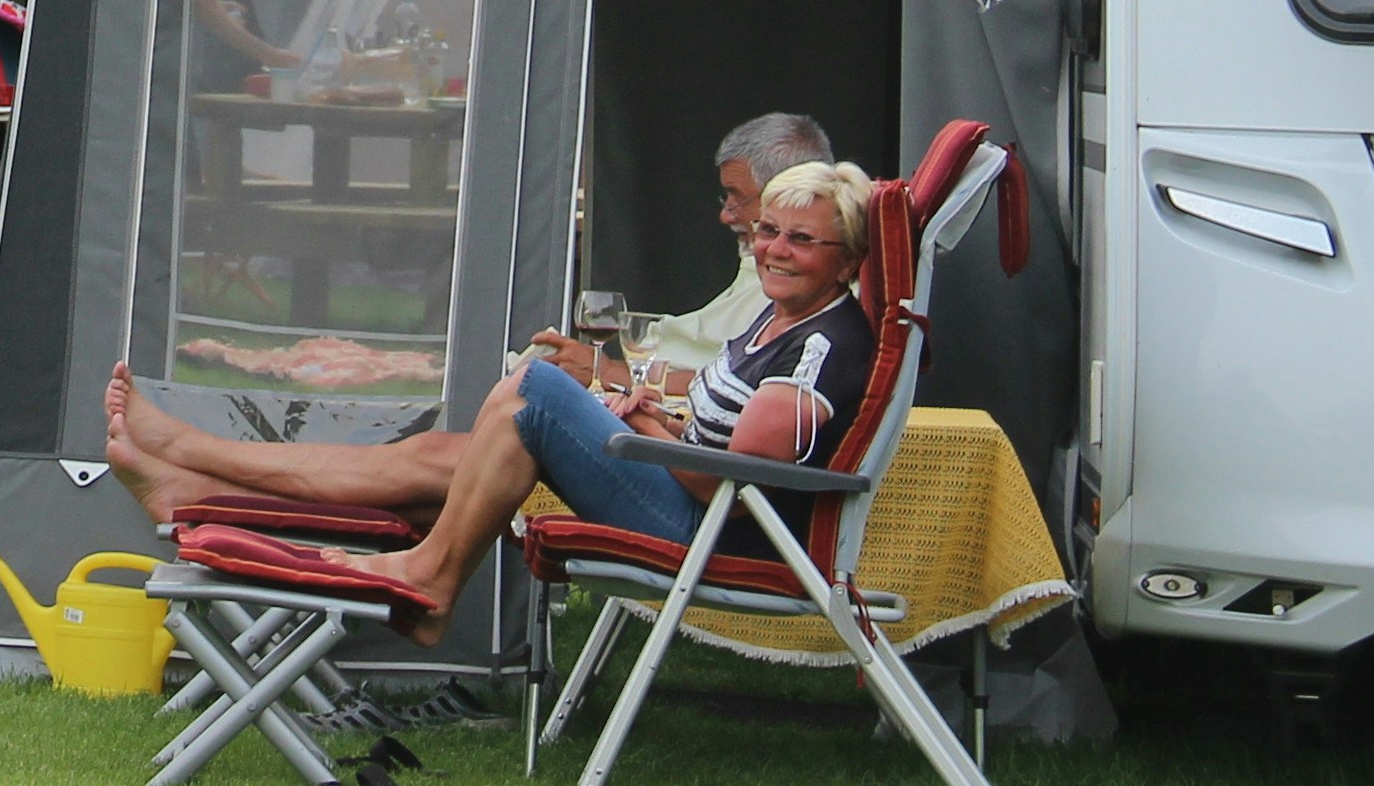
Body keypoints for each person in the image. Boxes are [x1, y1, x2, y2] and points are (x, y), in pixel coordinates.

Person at [110, 160, 887, 615]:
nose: (774, 250)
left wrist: (641, 425)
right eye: (767, 231)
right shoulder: (777, 322)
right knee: (448, 464)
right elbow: (715, 451)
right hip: (686, 502)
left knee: (538, 387)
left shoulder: (819, 351)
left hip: (706, 534)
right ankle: (195, 478)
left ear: (848, 259)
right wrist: (650, 411)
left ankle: (427, 570)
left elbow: (734, 479)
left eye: (801, 240)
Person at [101, 106, 830, 531]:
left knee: (440, 459)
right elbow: (724, 376)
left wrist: (618, 376)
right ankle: (206, 492)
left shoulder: (816, 308)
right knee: (437, 469)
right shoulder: (772, 276)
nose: (734, 218)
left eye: (746, 204)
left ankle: (200, 465)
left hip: (675, 487)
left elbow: (739, 420)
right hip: (661, 452)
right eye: (754, 219)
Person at [533, 109, 829, 406]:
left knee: (527, 400)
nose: (726, 215)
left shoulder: (806, 290)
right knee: (526, 390)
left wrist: (609, 373)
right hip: (658, 416)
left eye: (737, 198)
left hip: (679, 435)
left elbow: (743, 379)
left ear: (787, 195)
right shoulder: (764, 267)